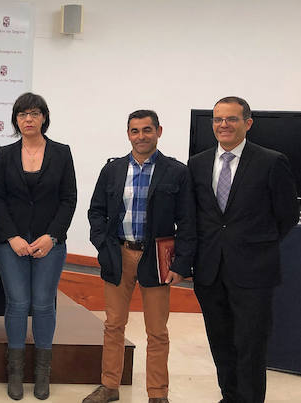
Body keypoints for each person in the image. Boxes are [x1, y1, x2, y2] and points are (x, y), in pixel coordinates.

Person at [189, 96, 298, 403]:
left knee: (250, 344)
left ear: (248, 123)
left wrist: (255, 243)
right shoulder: (197, 164)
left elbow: (287, 214)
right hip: (210, 270)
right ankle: (230, 396)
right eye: (218, 119)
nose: (223, 125)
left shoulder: (271, 161)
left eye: (231, 119)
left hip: (254, 270)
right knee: (221, 342)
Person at [84, 110, 195, 403]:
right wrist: (102, 245)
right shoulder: (113, 169)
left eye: (147, 130)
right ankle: (109, 386)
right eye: (135, 131)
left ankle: (158, 394)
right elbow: (96, 211)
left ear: (159, 131)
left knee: (157, 330)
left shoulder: (176, 172)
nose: (141, 136)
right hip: (118, 254)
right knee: (113, 325)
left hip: (156, 258)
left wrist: (181, 263)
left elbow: (187, 221)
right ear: (128, 133)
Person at [0, 92, 76, 400]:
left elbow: (69, 200)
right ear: (15, 119)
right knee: (17, 303)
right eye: (22, 114)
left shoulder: (62, 153)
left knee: (42, 303)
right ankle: (14, 373)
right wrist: (11, 236)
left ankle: (42, 374)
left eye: (34, 113)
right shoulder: (4, 153)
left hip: (49, 243)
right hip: (10, 242)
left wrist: (51, 236)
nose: (28, 119)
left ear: (44, 117)